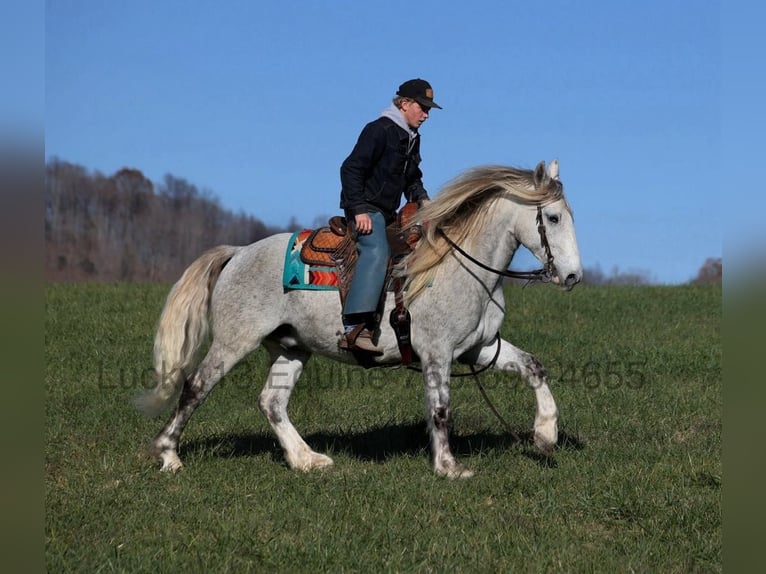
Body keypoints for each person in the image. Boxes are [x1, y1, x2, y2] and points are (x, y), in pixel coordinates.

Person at [338, 78, 441, 354]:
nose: (427, 115)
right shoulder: (379, 130)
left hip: (387, 213)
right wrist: (358, 209)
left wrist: (422, 198)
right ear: (404, 104)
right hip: (366, 210)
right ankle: (354, 327)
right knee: (377, 250)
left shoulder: (410, 138)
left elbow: (411, 178)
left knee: (414, 251)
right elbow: (350, 169)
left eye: (429, 109)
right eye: (423, 107)